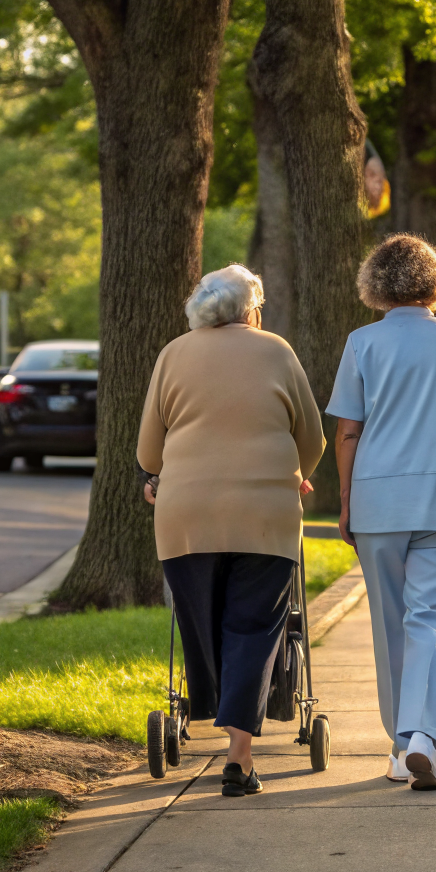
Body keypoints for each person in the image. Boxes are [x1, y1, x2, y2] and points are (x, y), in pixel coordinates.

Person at [137, 264, 324, 798]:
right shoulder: (277, 351)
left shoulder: (173, 354)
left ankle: (209, 706)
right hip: (266, 515)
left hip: (187, 517)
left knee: (202, 623)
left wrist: (157, 479)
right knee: (254, 628)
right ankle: (239, 757)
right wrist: (297, 475)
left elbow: (149, 452)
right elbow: (311, 438)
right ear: (252, 310)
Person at [326, 234, 436, 791]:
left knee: (390, 624)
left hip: (378, 501)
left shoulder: (361, 343)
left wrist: (347, 500)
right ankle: (423, 735)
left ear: (376, 284)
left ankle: (402, 748)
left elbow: (348, 432)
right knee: (432, 620)